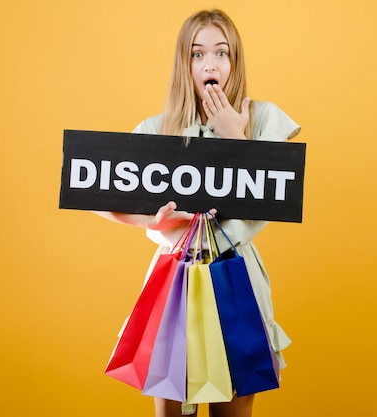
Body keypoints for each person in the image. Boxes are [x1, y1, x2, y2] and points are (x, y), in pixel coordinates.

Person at [94, 9, 301, 417]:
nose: (211, 64)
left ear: (234, 61)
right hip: (175, 284)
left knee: (234, 401)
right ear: (184, 64)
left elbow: (275, 193)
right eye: (198, 54)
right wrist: (147, 220)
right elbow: (96, 190)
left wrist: (235, 139)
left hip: (237, 278)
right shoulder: (159, 130)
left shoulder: (261, 120)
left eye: (222, 53)